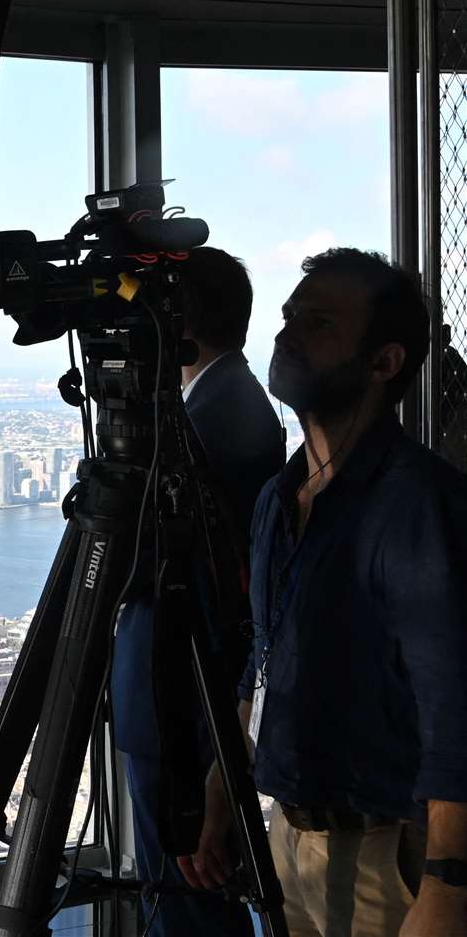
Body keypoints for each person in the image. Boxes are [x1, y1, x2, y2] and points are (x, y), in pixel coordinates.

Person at [178, 247, 467, 937]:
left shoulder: (418, 507)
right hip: (292, 842)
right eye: (288, 317)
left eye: (319, 323)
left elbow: (456, 709)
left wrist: (447, 888)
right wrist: (226, 782)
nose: (286, 333)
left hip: (388, 857)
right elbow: (265, 653)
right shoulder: (281, 498)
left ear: (383, 361)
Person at [109, 246, 284, 935]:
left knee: (183, 897)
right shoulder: (227, 401)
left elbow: (145, 560)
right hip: (183, 692)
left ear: (172, 321)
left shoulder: (212, 418)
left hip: (180, 694)